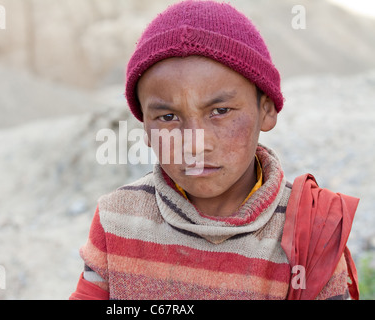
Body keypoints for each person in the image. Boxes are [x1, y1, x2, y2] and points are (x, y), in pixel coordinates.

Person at [70, 0, 359, 300]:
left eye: (220, 111)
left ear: (267, 109)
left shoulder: (310, 232)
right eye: (168, 117)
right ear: (145, 126)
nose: (195, 143)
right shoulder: (117, 220)